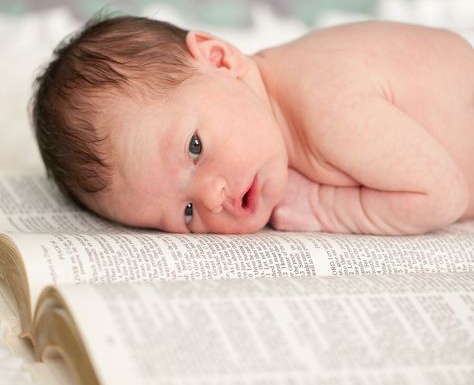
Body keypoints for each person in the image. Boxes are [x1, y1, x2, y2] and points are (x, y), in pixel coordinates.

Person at [31, 14, 474, 235]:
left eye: (195, 148)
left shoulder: (327, 103)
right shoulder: (269, 127)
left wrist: (323, 206)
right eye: (186, 215)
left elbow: (442, 195)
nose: (210, 197)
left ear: (219, 59)